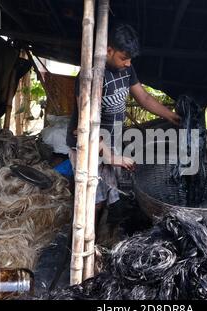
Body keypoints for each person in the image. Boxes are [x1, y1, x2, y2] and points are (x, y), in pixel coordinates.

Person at [67, 24, 180, 232]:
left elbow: (144, 97)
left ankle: (106, 236)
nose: (128, 63)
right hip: (87, 145)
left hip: (110, 142)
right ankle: (86, 247)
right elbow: (84, 126)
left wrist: (171, 116)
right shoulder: (90, 76)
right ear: (108, 49)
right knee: (95, 201)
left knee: (113, 196)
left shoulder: (126, 69)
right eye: (123, 57)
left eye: (130, 59)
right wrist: (111, 157)